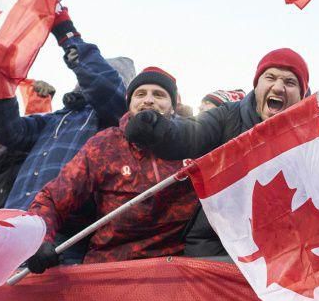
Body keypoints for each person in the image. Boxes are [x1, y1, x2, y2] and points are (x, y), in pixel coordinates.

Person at [127, 49, 309, 257]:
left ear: (301, 96)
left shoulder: (313, 135)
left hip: (284, 253)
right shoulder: (228, 116)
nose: (278, 87)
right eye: (270, 77)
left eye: (290, 82)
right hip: (215, 245)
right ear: (257, 85)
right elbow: (190, 133)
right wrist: (158, 130)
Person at [25, 68, 199, 271]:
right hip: (110, 267)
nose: (148, 100)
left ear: (173, 106)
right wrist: (39, 240)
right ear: (130, 103)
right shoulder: (105, 144)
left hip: (174, 270)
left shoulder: (195, 141)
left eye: (159, 94)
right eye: (140, 94)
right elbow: (53, 198)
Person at [0, 6, 135, 211]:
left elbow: (103, 85)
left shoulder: (116, 117)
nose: (84, 74)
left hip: (63, 228)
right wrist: (0, 87)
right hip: (16, 218)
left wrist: (68, 35)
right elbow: (9, 133)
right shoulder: (56, 118)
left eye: (93, 70)